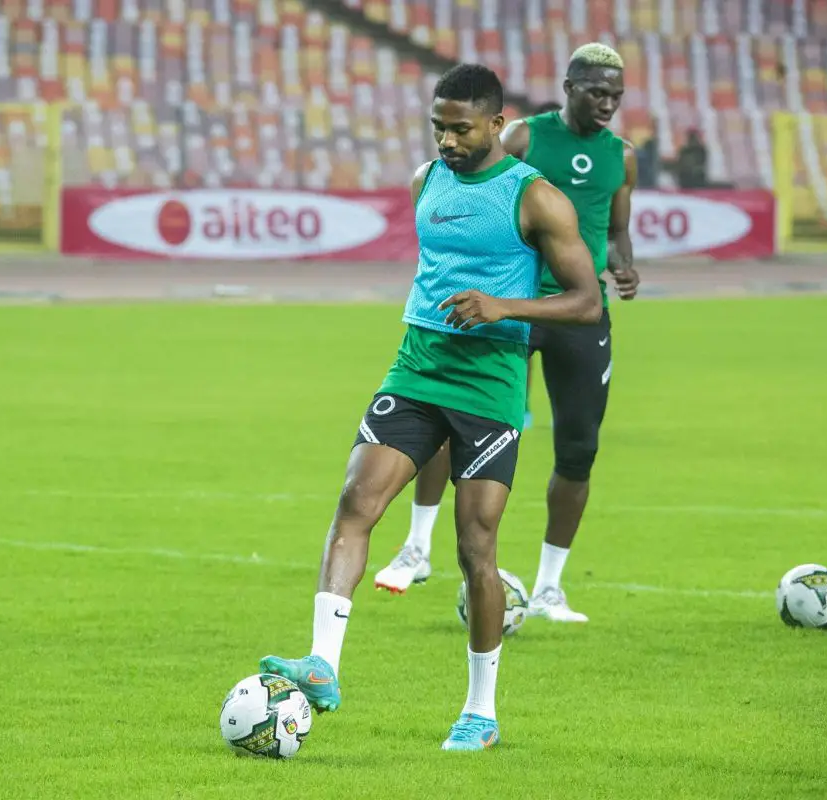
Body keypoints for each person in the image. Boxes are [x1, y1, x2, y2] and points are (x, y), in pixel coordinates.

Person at [258, 63, 602, 751]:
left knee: (476, 547)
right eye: (438, 127)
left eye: (461, 129)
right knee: (355, 503)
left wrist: (504, 306)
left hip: (490, 385)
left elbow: (586, 302)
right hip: (417, 366)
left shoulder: (536, 199)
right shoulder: (426, 181)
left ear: (496, 124)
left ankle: (480, 711)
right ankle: (323, 663)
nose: (446, 140)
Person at [373, 43, 638, 623]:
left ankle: (549, 588)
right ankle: (417, 545)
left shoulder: (622, 157)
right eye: (597, 92)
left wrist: (625, 263)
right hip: (503, 307)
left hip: (571, 311)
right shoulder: (523, 137)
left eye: (616, 95)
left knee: (579, 447)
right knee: (448, 411)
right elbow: (482, 185)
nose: (608, 104)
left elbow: (616, 229)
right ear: (569, 88)